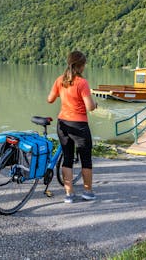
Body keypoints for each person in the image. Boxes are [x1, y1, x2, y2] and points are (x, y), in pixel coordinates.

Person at [47, 50, 97, 203]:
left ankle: (69, 194)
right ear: (81, 66)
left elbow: (50, 99)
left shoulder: (60, 80)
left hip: (62, 123)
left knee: (67, 158)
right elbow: (89, 107)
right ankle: (87, 192)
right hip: (79, 126)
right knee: (86, 159)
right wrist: (95, 104)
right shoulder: (82, 83)